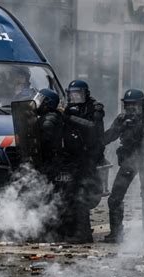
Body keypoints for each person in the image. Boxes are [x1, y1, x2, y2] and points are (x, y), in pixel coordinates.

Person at [103, 89, 144, 243]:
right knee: (115, 197)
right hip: (129, 161)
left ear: (142, 104)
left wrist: (140, 127)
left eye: (134, 105)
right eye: (128, 106)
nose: (131, 109)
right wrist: (120, 127)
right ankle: (116, 233)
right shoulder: (122, 119)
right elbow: (108, 137)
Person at [58, 80, 105, 244]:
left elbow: (91, 126)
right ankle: (72, 231)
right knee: (70, 195)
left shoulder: (95, 108)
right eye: (72, 94)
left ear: (86, 94)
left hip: (88, 158)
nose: (75, 97)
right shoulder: (70, 107)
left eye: (78, 94)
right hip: (74, 158)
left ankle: (83, 234)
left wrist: (69, 117)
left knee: (81, 196)